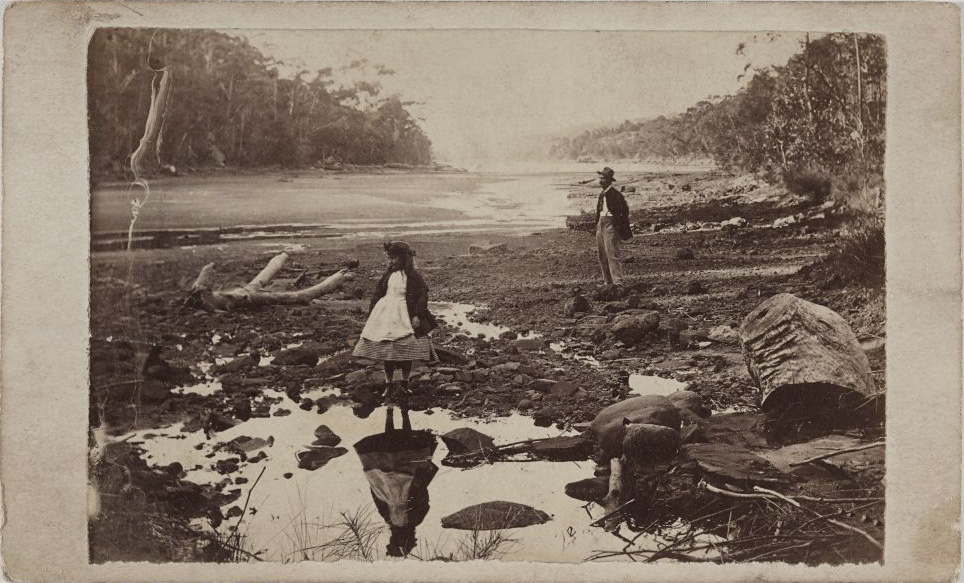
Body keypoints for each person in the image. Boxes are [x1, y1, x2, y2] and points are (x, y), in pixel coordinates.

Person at [353, 241, 438, 400]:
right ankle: (388, 384)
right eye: (389, 258)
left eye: (394, 258)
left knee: (406, 351)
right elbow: (378, 293)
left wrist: (417, 315)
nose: (390, 261)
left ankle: (405, 383)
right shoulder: (388, 274)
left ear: (404, 258)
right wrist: (372, 312)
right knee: (388, 351)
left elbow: (422, 295)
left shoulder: (413, 275)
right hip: (386, 314)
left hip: (404, 314)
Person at [354, 404, 439, 558]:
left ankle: (403, 412)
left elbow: (423, 499)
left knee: (408, 443)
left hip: (409, 478)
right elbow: (377, 498)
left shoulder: (415, 519)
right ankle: (391, 412)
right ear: (394, 537)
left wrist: (420, 482)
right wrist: (375, 482)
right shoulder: (389, 519)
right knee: (388, 444)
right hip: (388, 478)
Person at [593, 167, 633, 285]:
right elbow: (599, 211)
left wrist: (617, 225)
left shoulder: (616, 195)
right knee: (602, 255)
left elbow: (624, 211)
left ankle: (618, 281)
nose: (600, 181)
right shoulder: (602, 194)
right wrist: (597, 224)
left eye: (602, 179)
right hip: (601, 223)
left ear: (608, 180)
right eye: (600, 178)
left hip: (611, 224)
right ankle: (608, 282)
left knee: (612, 254)